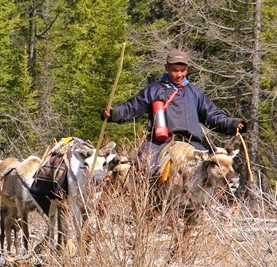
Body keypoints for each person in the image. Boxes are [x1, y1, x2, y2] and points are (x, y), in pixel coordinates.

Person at [102, 49, 244, 176]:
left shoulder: (195, 93)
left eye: (183, 70)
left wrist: (233, 124)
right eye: (175, 70)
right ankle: (146, 202)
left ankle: (212, 204)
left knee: (212, 171)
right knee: (143, 168)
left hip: (192, 143)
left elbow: (212, 116)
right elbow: (131, 107)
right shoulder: (154, 90)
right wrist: (113, 113)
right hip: (160, 142)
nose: (179, 74)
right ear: (166, 68)